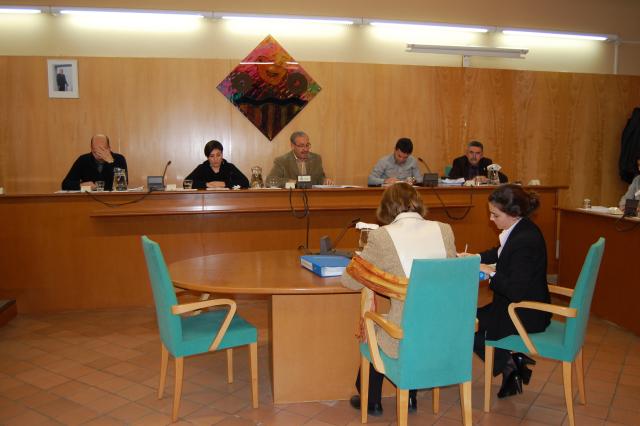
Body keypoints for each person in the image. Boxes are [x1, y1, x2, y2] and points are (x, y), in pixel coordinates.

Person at [341, 182, 456, 416]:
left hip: (405, 335)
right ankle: (410, 396)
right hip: (443, 329)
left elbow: (350, 281)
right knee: (412, 315)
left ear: (386, 208)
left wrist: (369, 265)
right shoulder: (444, 229)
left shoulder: (382, 236)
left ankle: (372, 400)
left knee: (374, 328)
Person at [465, 184, 551, 399]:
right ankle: (511, 364)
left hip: (524, 312)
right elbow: (500, 253)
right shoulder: (522, 228)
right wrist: (474, 258)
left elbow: (515, 291)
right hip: (516, 307)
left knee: (464, 325)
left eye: (495, 215)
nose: (491, 219)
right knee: (468, 321)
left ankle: (510, 365)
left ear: (513, 214)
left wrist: (491, 273)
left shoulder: (525, 241)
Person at [61, 134, 127, 191]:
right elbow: (65, 184)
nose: (99, 153)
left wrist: (111, 162)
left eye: (102, 149)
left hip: (113, 198)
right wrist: (81, 185)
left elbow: (122, 184)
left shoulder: (119, 159)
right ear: (91, 149)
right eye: (95, 150)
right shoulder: (83, 160)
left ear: (109, 148)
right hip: (89, 199)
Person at [266, 131, 333, 186]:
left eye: (307, 145)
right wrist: (293, 182)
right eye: (301, 146)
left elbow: (320, 178)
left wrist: (325, 180)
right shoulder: (282, 161)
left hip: (312, 196)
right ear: (292, 146)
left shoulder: (316, 159)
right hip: (291, 197)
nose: (305, 149)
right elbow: (269, 181)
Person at [185, 140, 249, 189]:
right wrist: (206, 184)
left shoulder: (229, 167)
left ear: (222, 154)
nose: (215, 159)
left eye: (218, 155)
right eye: (212, 156)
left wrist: (224, 184)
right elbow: (186, 184)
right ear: (207, 157)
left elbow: (245, 182)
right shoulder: (202, 168)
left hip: (228, 199)